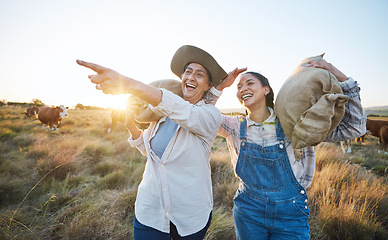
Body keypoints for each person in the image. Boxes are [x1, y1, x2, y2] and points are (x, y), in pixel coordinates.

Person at [76, 45, 245, 240]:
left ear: (208, 86)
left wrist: (128, 84)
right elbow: (152, 153)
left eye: (199, 75)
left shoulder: (210, 116)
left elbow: (187, 112)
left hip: (190, 215)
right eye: (187, 72)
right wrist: (131, 126)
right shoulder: (161, 116)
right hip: (150, 211)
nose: (190, 77)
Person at [211, 60, 367, 239]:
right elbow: (202, 112)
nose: (242, 88)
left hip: (290, 215)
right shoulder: (234, 126)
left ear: (266, 89)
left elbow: (355, 127)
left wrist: (343, 79)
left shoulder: (295, 123)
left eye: (249, 83)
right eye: (238, 87)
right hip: (248, 213)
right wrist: (221, 86)